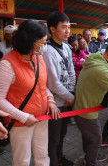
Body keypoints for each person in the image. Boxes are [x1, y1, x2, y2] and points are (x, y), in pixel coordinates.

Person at [0, 20, 60, 166]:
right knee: (22, 160)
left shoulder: (38, 57)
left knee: (42, 155)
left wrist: (51, 101)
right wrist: (23, 117)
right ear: (29, 41)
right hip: (20, 121)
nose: (44, 47)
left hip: (42, 116)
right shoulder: (7, 64)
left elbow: (41, 85)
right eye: (42, 43)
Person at [43, 12, 76, 166]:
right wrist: (71, 98)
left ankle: (60, 157)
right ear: (52, 29)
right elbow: (53, 83)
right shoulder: (47, 51)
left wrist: (71, 93)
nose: (68, 31)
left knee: (63, 133)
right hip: (55, 103)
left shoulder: (67, 47)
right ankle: (53, 162)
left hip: (67, 99)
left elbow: (71, 72)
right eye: (64, 27)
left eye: (69, 27)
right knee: (53, 137)